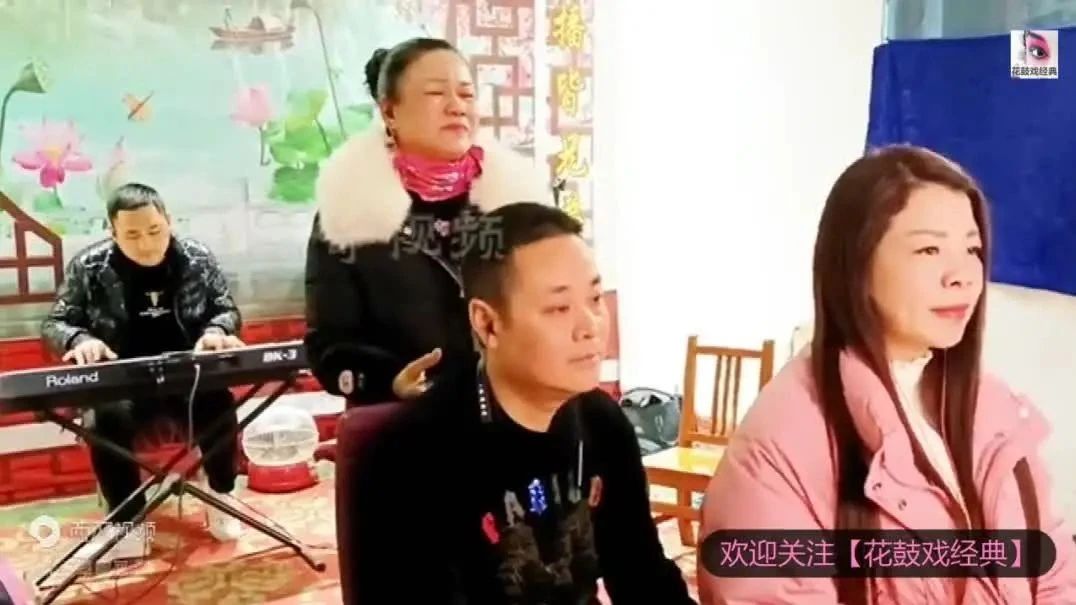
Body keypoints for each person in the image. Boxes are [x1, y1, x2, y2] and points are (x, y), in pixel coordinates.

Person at [697, 146, 1076, 604]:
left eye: (972, 249)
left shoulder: (995, 411)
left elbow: (1054, 570)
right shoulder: (780, 445)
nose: (963, 276)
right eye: (929, 249)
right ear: (858, 263)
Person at [348, 203, 695, 604]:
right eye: (559, 308)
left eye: (595, 298)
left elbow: (642, 575)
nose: (591, 326)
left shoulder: (602, 422)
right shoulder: (412, 456)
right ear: (488, 323)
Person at [304, 37, 552, 406]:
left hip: (519, 413)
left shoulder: (518, 203)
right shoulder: (349, 213)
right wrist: (388, 379)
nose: (456, 106)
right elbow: (328, 345)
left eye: (466, 94)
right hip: (409, 423)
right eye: (436, 93)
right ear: (390, 112)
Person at [40, 183, 247, 564]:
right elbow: (56, 323)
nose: (147, 244)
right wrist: (80, 339)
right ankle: (128, 523)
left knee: (218, 402)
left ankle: (221, 494)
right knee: (106, 417)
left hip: (187, 377)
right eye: (132, 235)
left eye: (155, 230)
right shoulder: (90, 267)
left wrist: (217, 330)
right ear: (113, 232)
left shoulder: (197, 259)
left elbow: (225, 310)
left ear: (169, 222)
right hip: (123, 383)